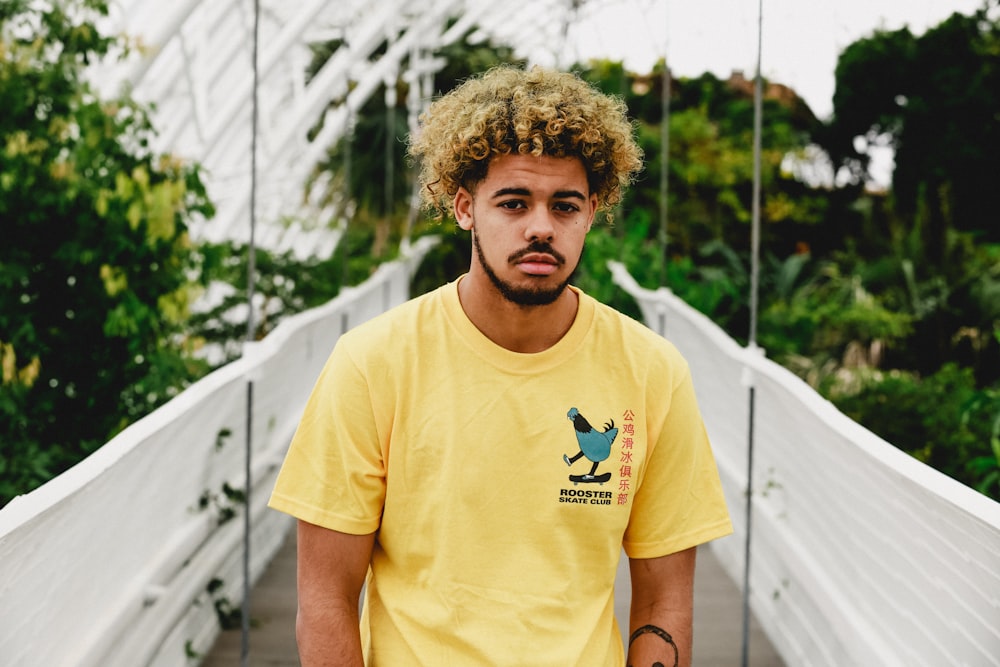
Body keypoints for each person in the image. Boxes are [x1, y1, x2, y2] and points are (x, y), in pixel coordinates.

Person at [268, 64, 732, 667]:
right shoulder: (373, 363)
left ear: (592, 211)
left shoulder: (651, 372)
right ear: (464, 207)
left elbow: (665, 601)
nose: (541, 227)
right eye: (514, 203)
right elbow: (327, 600)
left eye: (564, 206)